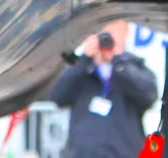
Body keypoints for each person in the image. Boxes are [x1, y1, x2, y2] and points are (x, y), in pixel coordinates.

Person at [48, 25, 157, 158]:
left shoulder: (135, 66)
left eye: (113, 34)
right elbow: (58, 96)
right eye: (102, 33)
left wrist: (119, 64)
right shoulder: (81, 69)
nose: (106, 40)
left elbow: (149, 96)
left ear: (125, 36)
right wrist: (84, 59)